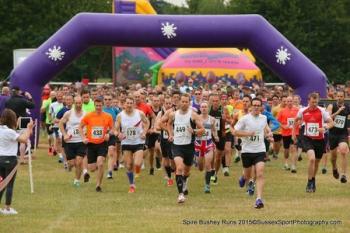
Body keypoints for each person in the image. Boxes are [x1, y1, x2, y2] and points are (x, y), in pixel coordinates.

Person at [233, 98, 274, 209]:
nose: (256, 107)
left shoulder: (264, 118)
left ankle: (259, 199)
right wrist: (247, 134)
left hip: (260, 150)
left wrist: (269, 136)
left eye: (258, 105)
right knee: (247, 175)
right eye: (254, 105)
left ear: (261, 107)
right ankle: (243, 177)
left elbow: (265, 130)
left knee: (259, 173)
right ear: (251, 107)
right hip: (247, 151)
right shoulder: (245, 119)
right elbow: (235, 131)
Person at [292, 92, 334, 193]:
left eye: (316, 102)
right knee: (311, 159)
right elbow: (296, 120)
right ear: (308, 101)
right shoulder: (302, 111)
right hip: (307, 138)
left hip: (320, 140)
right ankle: (309, 181)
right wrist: (294, 133)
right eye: (312, 102)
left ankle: (313, 179)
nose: (314, 104)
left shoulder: (322, 111)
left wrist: (324, 127)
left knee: (316, 162)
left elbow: (331, 122)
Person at [167, 93, 204, 203]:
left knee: (186, 171)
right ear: (179, 102)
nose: (184, 104)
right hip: (177, 145)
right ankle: (181, 194)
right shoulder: (173, 114)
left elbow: (203, 130)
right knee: (179, 168)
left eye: (186, 102)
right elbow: (169, 124)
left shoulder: (193, 115)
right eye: (182, 101)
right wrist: (171, 134)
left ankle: (185, 182)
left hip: (189, 146)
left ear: (189, 103)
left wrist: (194, 131)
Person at [0, 109, 34, 215]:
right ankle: (7, 208)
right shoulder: (9, 132)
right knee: (9, 184)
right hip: (10, 159)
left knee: (1, 184)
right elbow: (24, 139)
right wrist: (29, 128)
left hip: (0, 158)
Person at [79, 98, 114, 192]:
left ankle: (98, 185)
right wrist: (83, 137)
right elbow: (80, 126)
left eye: (100, 105)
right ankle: (96, 167)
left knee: (101, 163)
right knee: (92, 168)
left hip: (102, 143)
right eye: (96, 105)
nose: (98, 107)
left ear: (102, 105)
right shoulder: (89, 116)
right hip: (91, 144)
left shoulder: (108, 116)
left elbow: (112, 129)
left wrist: (108, 134)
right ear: (94, 105)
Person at [115, 97, 149, 193]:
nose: (129, 105)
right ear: (124, 104)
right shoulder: (120, 116)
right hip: (126, 142)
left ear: (134, 104)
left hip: (138, 141)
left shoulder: (140, 113)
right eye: (127, 103)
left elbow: (147, 123)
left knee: (137, 163)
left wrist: (144, 132)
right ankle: (132, 184)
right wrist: (118, 134)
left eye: (131, 103)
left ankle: (137, 171)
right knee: (129, 165)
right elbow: (115, 128)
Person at [59, 96, 86, 187]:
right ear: (74, 103)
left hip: (81, 141)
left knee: (79, 162)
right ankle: (69, 165)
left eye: (80, 103)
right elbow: (60, 124)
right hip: (70, 142)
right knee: (72, 163)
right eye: (76, 103)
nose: (78, 105)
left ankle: (77, 180)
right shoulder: (68, 113)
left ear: (82, 103)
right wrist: (65, 134)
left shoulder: (86, 114)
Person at [195, 102, 219, 193]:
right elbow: (193, 129)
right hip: (198, 143)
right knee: (201, 167)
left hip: (208, 143)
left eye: (205, 107)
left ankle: (207, 185)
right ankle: (196, 160)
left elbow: (214, 129)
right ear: (200, 109)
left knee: (208, 165)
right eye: (202, 107)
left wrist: (216, 136)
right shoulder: (196, 118)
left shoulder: (212, 119)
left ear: (208, 108)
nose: (204, 108)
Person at [326, 90, 350, 183]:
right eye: (338, 96)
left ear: (344, 97)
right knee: (333, 157)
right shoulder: (331, 106)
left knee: (343, 151)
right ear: (336, 97)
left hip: (342, 134)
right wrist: (338, 111)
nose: (339, 98)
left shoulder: (347, 107)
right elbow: (328, 118)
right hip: (332, 134)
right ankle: (334, 168)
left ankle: (343, 175)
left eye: (341, 96)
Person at [277, 96, 300, 172]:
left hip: (295, 132)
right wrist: (283, 126)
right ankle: (286, 163)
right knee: (286, 150)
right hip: (285, 133)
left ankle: (293, 166)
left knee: (294, 148)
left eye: (291, 101)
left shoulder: (297, 110)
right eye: (288, 101)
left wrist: (298, 124)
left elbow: (301, 120)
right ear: (286, 102)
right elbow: (277, 121)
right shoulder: (282, 111)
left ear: (293, 101)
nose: (289, 102)